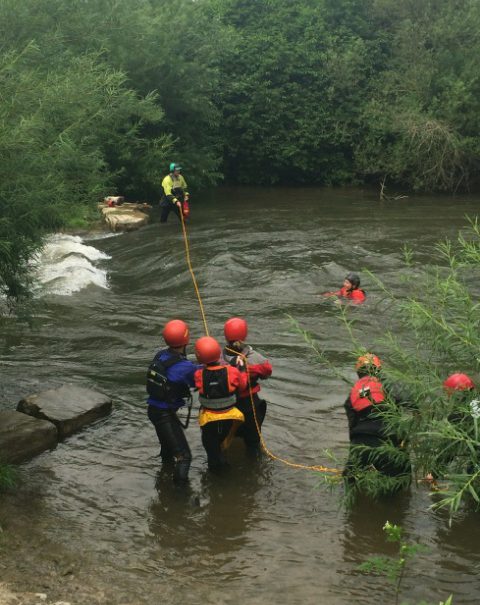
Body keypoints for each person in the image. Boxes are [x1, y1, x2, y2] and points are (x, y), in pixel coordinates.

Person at [343, 354, 411, 490]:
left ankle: (355, 508)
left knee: (350, 483)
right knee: (401, 485)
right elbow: (412, 405)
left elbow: (352, 426)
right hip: (389, 442)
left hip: (360, 444)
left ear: (358, 373)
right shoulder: (390, 386)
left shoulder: (353, 393)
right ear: (379, 370)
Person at [146, 319, 198, 483]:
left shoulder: (161, 355)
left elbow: (181, 368)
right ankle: (179, 497)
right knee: (184, 457)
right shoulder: (186, 368)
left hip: (154, 410)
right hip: (164, 415)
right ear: (186, 339)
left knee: (168, 450)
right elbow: (197, 377)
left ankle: (163, 481)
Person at [194, 336, 248, 472]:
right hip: (228, 418)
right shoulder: (232, 371)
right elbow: (242, 386)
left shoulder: (199, 374)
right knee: (223, 444)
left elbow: (199, 382)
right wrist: (241, 368)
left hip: (208, 420)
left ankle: (215, 476)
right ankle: (224, 469)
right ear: (218, 354)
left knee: (211, 449)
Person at [222, 317, 272, 454]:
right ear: (245, 335)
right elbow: (267, 372)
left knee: (224, 442)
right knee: (253, 443)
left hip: (225, 407)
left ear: (226, 337)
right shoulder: (257, 359)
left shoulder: (217, 358)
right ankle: (254, 466)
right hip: (249, 407)